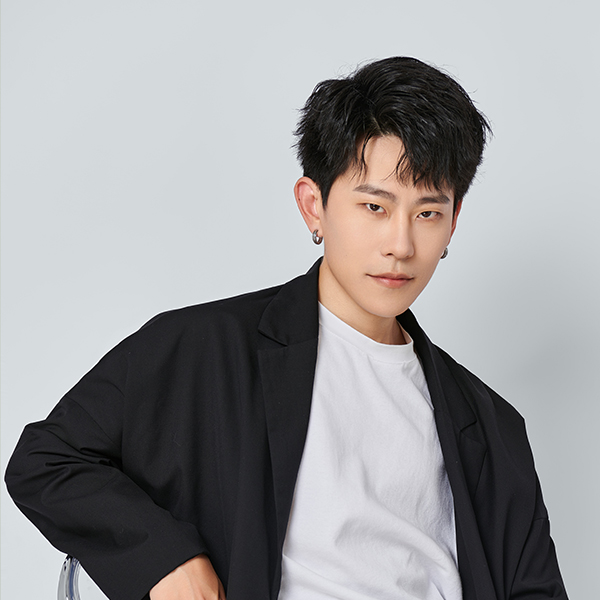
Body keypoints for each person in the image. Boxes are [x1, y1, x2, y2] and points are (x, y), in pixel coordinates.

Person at [5, 57, 568, 600]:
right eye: (374, 207)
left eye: (427, 213)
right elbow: (46, 460)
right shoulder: (204, 349)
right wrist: (166, 559)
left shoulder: (492, 427)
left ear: (453, 222)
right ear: (313, 206)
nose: (400, 244)